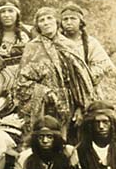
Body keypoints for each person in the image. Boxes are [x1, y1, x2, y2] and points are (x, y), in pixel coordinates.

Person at [16, 7, 95, 140]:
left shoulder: (69, 45)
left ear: (57, 22)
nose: (46, 22)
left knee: (68, 144)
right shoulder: (32, 47)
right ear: (37, 25)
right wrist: (44, 92)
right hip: (44, 107)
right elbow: (22, 82)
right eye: (41, 20)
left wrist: (81, 107)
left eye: (49, 18)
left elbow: (82, 80)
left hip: (70, 107)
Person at [0, 0, 31, 118]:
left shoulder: (27, 33)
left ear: (17, 14)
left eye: (10, 11)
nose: (6, 15)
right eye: (3, 12)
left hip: (23, 80)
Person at [60, 2, 115, 95]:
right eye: (65, 19)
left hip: (87, 90)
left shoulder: (91, 43)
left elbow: (105, 65)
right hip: (63, 90)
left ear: (80, 22)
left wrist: (84, 76)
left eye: (73, 18)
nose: (69, 22)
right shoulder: (56, 42)